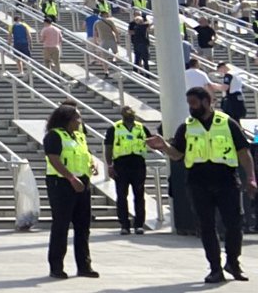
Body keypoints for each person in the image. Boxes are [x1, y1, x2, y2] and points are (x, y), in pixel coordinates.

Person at [148, 86, 258, 282]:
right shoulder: (186, 127)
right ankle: (215, 268)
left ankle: (233, 262)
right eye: (189, 104)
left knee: (234, 224)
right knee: (206, 226)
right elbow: (178, 155)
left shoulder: (227, 123)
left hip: (227, 181)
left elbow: (244, 152)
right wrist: (164, 146)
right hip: (198, 183)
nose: (191, 108)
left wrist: (251, 178)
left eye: (194, 103)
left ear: (207, 102)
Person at [44, 105, 99, 279]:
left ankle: (84, 265)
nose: (79, 122)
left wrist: (92, 164)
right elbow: (54, 159)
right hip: (61, 183)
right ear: (67, 119)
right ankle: (56, 266)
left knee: (83, 226)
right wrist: (71, 178)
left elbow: (86, 154)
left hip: (82, 182)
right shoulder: (54, 136)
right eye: (77, 118)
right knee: (61, 225)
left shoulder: (80, 137)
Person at [104, 106, 151, 235]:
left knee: (139, 195)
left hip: (138, 163)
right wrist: (109, 165)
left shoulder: (141, 128)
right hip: (121, 164)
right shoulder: (114, 128)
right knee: (121, 195)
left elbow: (151, 141)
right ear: (122, 116)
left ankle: (139, 224)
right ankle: (124, 224)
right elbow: (108, 147)